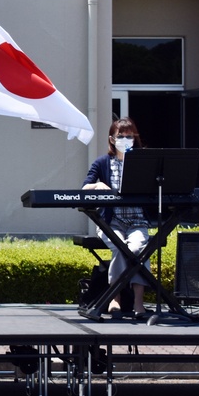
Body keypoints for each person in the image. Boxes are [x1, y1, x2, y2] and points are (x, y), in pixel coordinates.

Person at [82, 116, 151, 319]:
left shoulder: (141, 161)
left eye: (129, 136)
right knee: (120, 247)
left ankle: (139, 301)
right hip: (111, 222)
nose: (125, 140)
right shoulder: (103, 162)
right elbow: (85, 186)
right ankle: (115, 297)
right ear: (112, 139)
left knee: (138, 249)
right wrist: (97, 186)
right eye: (121, 136)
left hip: (137, 220)